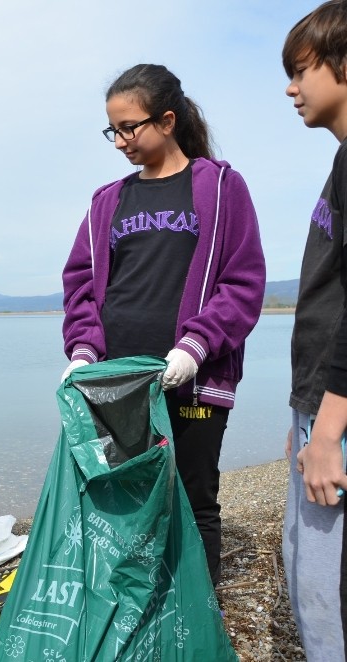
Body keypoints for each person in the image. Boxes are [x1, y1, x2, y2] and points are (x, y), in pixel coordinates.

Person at [61, 64, 265, 586]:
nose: (120, 141)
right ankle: (139, 608)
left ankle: (197, 617)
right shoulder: (108, 200)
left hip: (191, 377)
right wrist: (84, 353)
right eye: (113, 130)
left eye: (130, 127)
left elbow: (242, 283)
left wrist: (196, 346)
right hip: (119, 383)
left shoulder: (220, 188)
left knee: (195, 498)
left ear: (168, 120)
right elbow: (80, 282)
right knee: (127, 498)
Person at [281, 2, 347, 657]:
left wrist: (326, 432)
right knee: (304, 563)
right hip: (323, 404)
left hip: (337, 417)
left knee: (323, 586)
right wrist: (306, 413)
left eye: (302, 69)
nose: (290, 86)